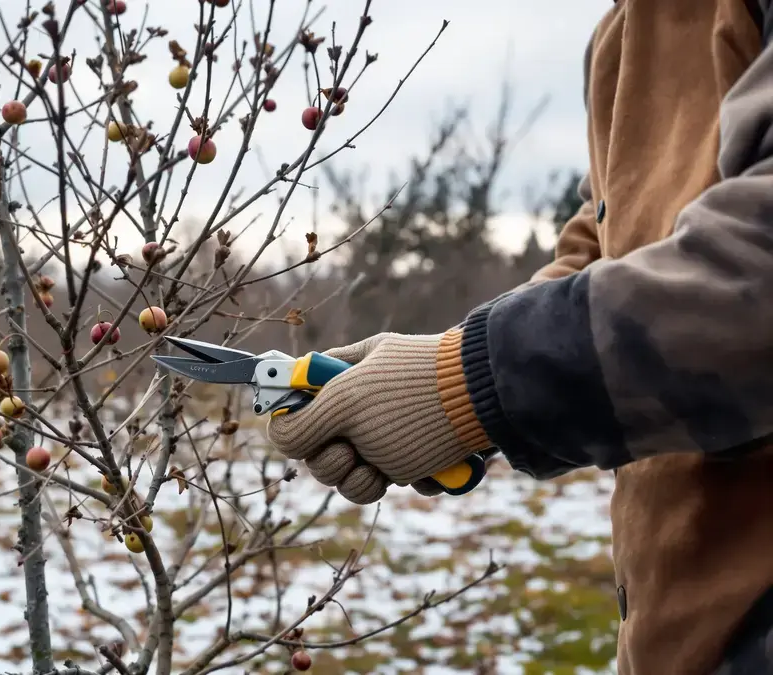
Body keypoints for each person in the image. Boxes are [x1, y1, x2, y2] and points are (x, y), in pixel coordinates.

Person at [264, 1, 773, 673]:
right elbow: (599, 252)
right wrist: (443, 368)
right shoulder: (625, 30)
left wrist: (468, 385)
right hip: (684, 633)